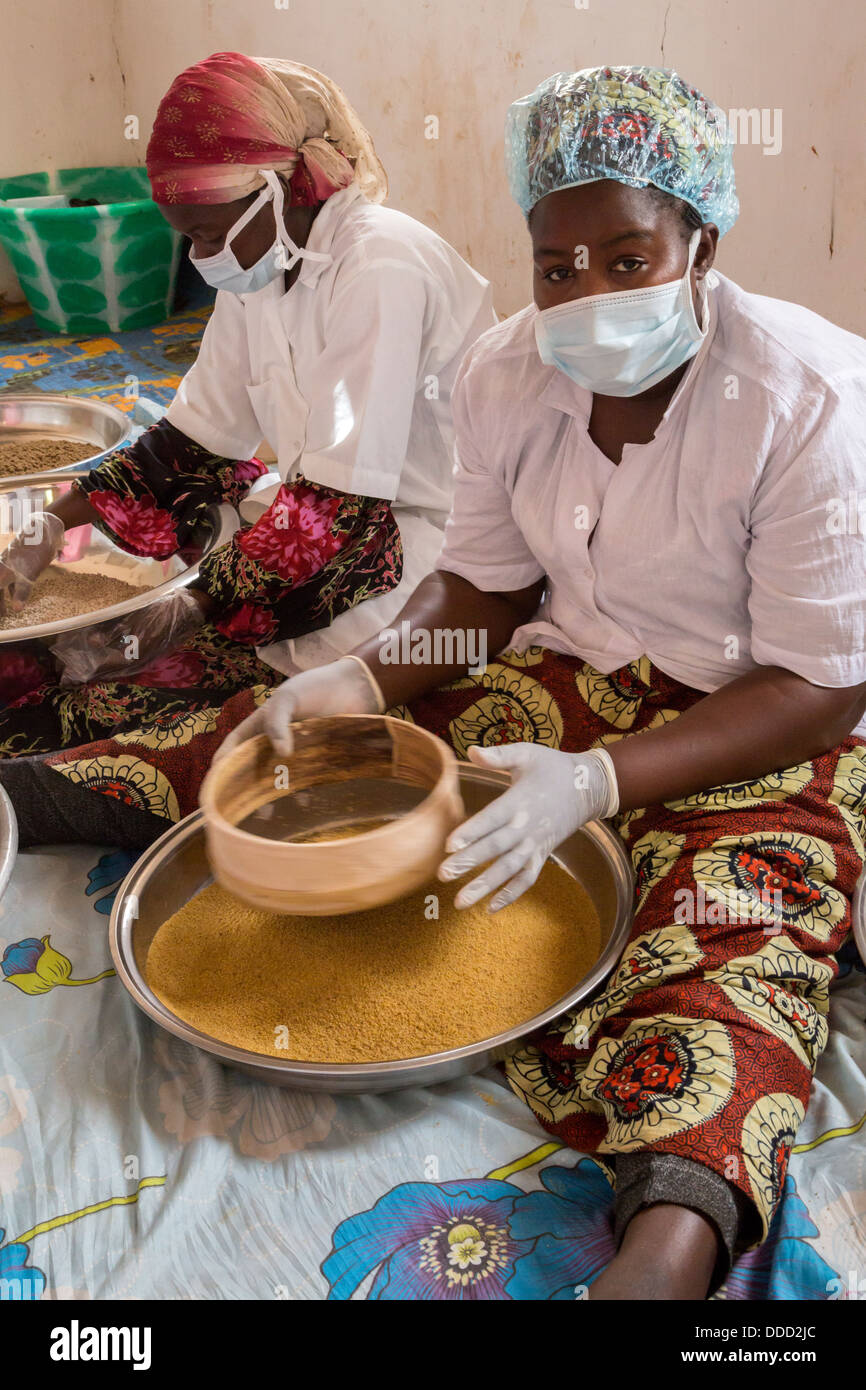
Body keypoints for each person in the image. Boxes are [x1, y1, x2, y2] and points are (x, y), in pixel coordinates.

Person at [3, 63, 866, 1300]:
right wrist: (360, 684)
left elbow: (818, 686)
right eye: (554, 266)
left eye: (627, 260)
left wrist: (596, 783)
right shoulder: (512, 373)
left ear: (702, 239)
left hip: (750, 728)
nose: (585, 297)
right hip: (562, 679)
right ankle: (28, 801)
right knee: (276, 748)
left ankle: (657, 1261)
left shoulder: (802, 399)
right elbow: (485, 597)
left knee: (733, 943)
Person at [0, 51, 494, 842]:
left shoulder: (380, 267)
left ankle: (74, 791)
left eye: (206, 231)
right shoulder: (263, 271)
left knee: (230, 723)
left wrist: (188, 611)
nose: (199, 255)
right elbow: (191, 442)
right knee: (92, 649)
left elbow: (341, 518)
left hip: (420, 552)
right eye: (186, 236)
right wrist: (48, 529)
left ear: (280, 186)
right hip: (320, 523)